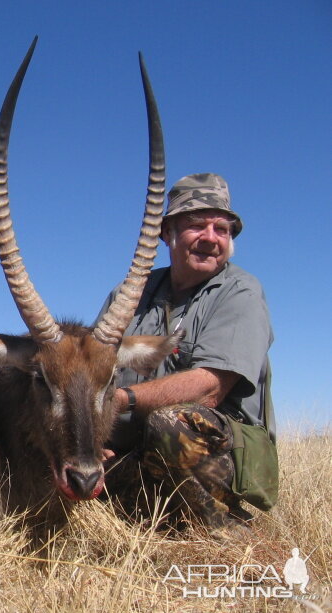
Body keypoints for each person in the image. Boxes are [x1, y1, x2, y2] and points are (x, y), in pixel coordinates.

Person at [98, 172, 275, 537]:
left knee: (170, 422)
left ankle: (224, 533)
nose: (211, 238)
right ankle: (150, 520)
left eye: (222, 229)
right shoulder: (130, 293)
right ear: (167, 234)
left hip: (217, 446)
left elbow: (209, 390)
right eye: (197, 226)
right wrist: (91, 437)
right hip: (139, 449)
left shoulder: (240, 291)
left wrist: (118, 401)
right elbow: (93, 371)